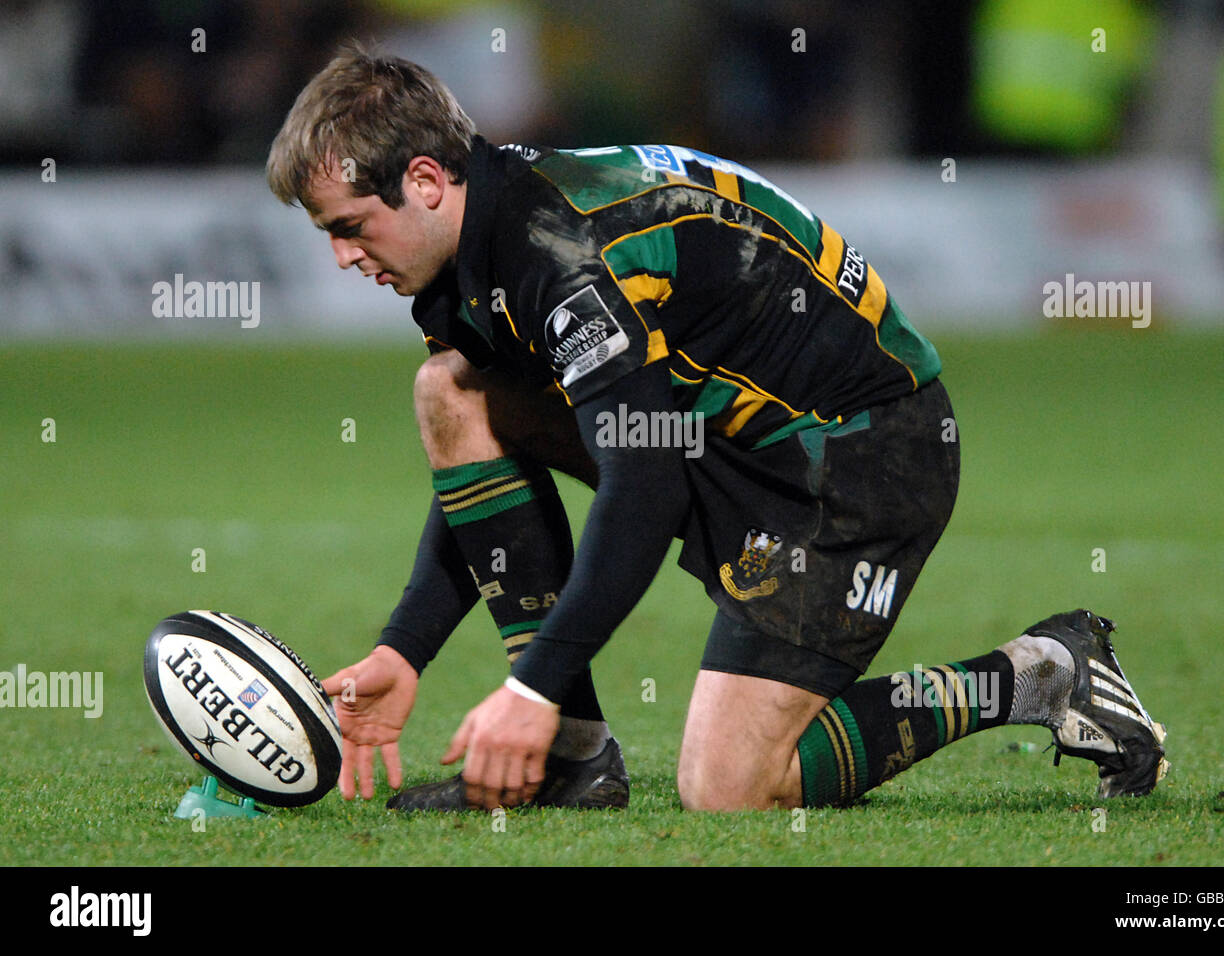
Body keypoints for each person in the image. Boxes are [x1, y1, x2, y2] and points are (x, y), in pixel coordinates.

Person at [266, 44, 1169, 812]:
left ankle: (1041, 673)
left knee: (730, 788)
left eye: (350, 227)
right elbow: (508, 458)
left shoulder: (564, 256)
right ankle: (571, 760)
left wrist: (528, 683)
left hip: (861, 450)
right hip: (730, 436)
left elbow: (645, 483)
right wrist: (406, 646)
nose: (343, 257)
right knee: (451, 391)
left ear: (424, 181)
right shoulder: (478, 246)